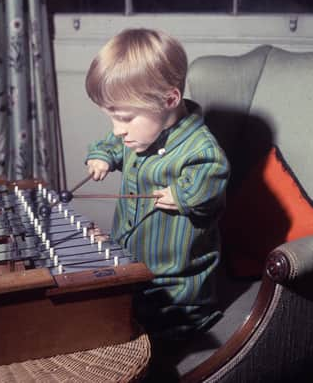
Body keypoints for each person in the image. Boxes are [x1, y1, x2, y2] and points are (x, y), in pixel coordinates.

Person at [85, 28, 230, 346]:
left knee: (147, 335)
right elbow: (111, 143)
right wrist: (101, 157)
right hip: (132, 265)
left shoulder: (201, 150)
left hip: (178, 289)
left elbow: (213, 179)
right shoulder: (138, 134)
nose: (118, 130)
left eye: (124, 118)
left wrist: (183, 195)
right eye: (112, 119)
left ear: (169, 99)